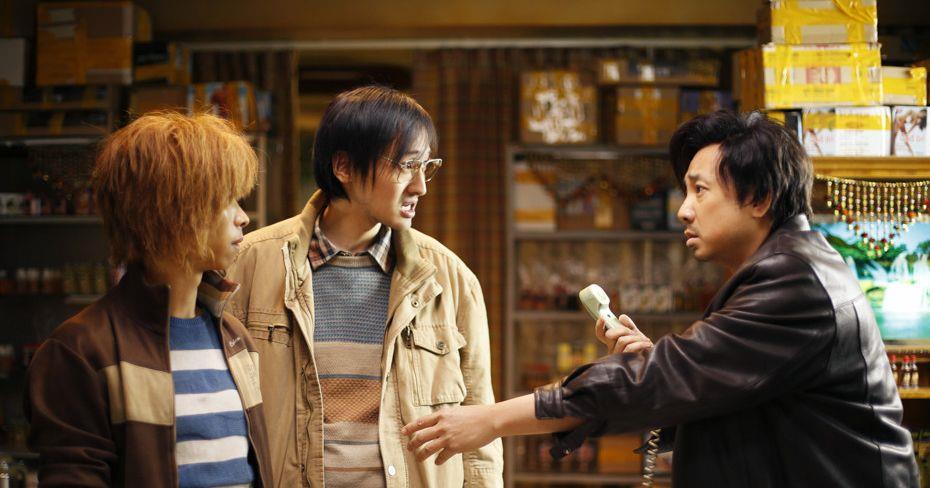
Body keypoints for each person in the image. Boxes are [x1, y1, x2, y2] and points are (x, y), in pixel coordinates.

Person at [402, 111, 919, 487]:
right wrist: (653, 365)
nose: (683, 211)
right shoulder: (789, 266)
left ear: (760, 198)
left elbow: (664, 377)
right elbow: (712, 384)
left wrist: (489, 420)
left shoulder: (794, 281)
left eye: (700, 191)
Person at [224, 85, 503, 487]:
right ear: (344, 166)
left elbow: (480, 432)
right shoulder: (250, 264)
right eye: (406, 166)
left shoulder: (450, 278)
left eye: (426, 167)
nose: (421, 186)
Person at [25, 112, 274, 487]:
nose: (243, 217)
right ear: (170, 210)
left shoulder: (235, 338)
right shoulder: (80, 350)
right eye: (227, 200)